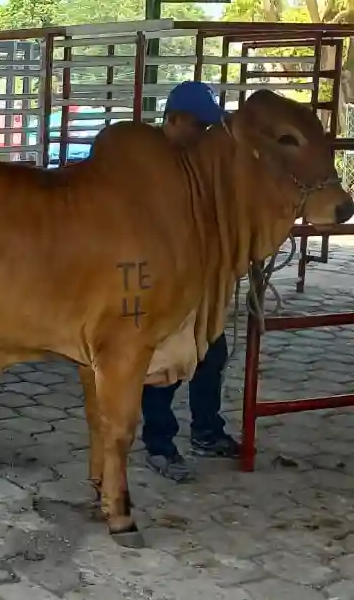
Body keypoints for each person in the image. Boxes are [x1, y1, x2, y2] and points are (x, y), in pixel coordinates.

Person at [142, 80, 241, 482]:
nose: (202, 134)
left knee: (211, 354)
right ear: (175, 119)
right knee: (163, 364)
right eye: (197, 126)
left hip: (197, 279)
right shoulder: (146, 160)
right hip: (157, 280)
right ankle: (159, 445)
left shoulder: (198, 162)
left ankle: (206, 431)